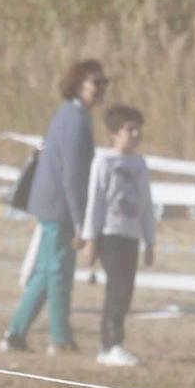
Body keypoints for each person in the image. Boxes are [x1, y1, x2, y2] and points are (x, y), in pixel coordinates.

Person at [2, 58, 108, 355]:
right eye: (96, 83)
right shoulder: (74, 120)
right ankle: (59, 339)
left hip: (54, 205)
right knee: (59, 271)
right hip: (59, 207)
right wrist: (80, 221)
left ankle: (16, 334)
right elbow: (73, 176)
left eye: (105, 83)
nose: (102, 89)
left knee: (49, 271)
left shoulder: (74, 116)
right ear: (79, 86)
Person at [82, 105, 155, 368]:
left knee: (126, 290)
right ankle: (110, 344)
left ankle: (113, 344)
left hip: (131, 235)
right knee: (117, 287)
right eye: (129, 129)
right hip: (109, 233)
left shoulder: (139, 164)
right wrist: (90, 239)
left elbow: (146, 203)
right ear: (114, 133)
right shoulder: (104, 161)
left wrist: (150, 240)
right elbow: (95, 201)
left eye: (138, 129)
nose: (135, 134)